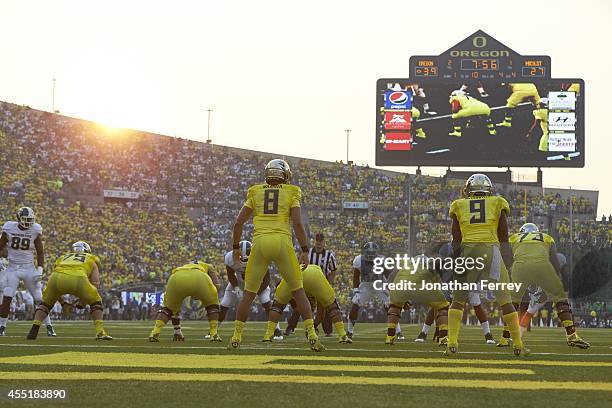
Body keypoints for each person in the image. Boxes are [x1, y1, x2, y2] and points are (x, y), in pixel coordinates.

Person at [228, 159, 323, 351]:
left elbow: (238, 223)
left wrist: (236, 247)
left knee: (248, 294)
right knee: (298, 291)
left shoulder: (255, 191)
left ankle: (236, 337)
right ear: (284, 175)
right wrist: (305, 249)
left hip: (260, 242)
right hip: (281, 242)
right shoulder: (291, 191)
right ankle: (312, 335)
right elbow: (297, 223)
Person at [444, 174, 528, 356]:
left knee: (457, 301)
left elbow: (456, 238)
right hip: (491, 251)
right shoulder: (497, 202)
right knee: (505, 301)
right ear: (488, 189)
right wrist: (506, 259)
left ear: (468, 190)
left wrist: (456, 260)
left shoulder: (459, 204)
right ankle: (518, 344)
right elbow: (503, 234)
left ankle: (452, 343)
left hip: (467, 251)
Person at [506, 223, 589, 348]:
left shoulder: (514, 238)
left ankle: (508, 337)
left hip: (521, 268)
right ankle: (572, 336)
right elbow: (555, 262)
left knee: (515, 303)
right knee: (561, 301)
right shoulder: (546, 237)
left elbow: (507, 259)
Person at [25, 241, 111, 340]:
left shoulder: (63, 257)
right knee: (96, 302)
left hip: (55, 278)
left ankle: (34, 330)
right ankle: (100, 332)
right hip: (78, 278)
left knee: (45, 305)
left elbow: (57, 284)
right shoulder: (91, 258)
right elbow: (95, 283)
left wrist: (63, 303)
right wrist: (83, 301)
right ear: (87, 250)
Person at [0, 207, 56, 336]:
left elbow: (40, 252)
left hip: (29, 267)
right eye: (26, 220)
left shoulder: (35, 229)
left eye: (31, 220)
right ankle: (2, 326)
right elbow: (0, 246)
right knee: (7, 296)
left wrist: (40, 269)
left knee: (39, 298)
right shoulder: (9, 228)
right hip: (13, 268)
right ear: (19, 218)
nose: (29, 222)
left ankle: (49, 326)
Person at [211, 240, 282, 340]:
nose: (244, 265)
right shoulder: (230, 258)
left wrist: (256, 292)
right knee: (225, 302)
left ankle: (277, 329)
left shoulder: (261, 257)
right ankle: (214, 330)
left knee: (266, 302)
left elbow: (266, 280)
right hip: (239, 283)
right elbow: (231, 275)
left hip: (257, 283)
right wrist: (236, 288)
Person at [263, 264, 351, 344]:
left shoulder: (297, 298)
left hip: (294, 274)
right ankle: (342, 335)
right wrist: (314, 326)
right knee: (332, 307)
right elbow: (320, 313)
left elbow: (295, 307)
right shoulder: (316, 288)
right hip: (314, 275)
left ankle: (268, 334)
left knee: (277, 307)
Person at [386, 246, 449, 346]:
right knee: (443, 306)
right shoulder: (432, 265)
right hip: (421, 285)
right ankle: (443, 338)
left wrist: (396, 295)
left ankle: (389, 337)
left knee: (395, 307)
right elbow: (436, 289)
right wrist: (438, 328)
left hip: (401, 284)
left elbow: (392, 275)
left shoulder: (406, 262)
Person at [148, 260, 221, 342]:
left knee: (168, 308)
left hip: (176, 276)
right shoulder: (207, 266)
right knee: (212, 306)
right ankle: (214, 333)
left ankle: (157, 332)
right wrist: (206, 295)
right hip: (199, 276)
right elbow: (217, 286)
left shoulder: (184, 266)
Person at [347, 242, 402, 339]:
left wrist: (391, 288)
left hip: (380, 283)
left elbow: (388, 275)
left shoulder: (382, 260)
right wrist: (355, 291)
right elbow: (356, 277)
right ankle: (349, 331)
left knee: (389, 305)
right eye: (369, 252)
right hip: (366, 285)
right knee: (355, 303)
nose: (371, 255)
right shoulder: (359, 260)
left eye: (373, 252)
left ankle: (397, 331)